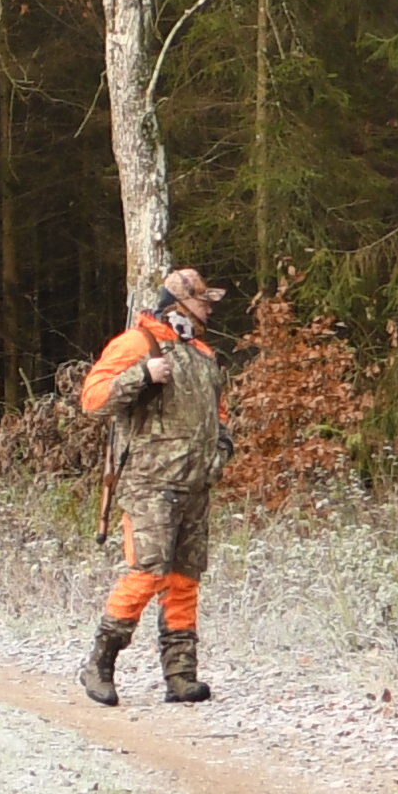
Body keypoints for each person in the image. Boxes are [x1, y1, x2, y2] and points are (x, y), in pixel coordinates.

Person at [76, 264, 253, 707]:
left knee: (185, 578)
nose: (209, 310)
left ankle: (181, 677)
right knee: (148, 572)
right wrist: (142, 374)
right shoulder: (137, 344)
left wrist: (220, 453)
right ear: (177, 305)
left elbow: (220, 417)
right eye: (201, 302)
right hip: (149, 485)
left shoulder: (203, 355)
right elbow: (92, 400)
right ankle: (99, 664)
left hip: (195, 485)